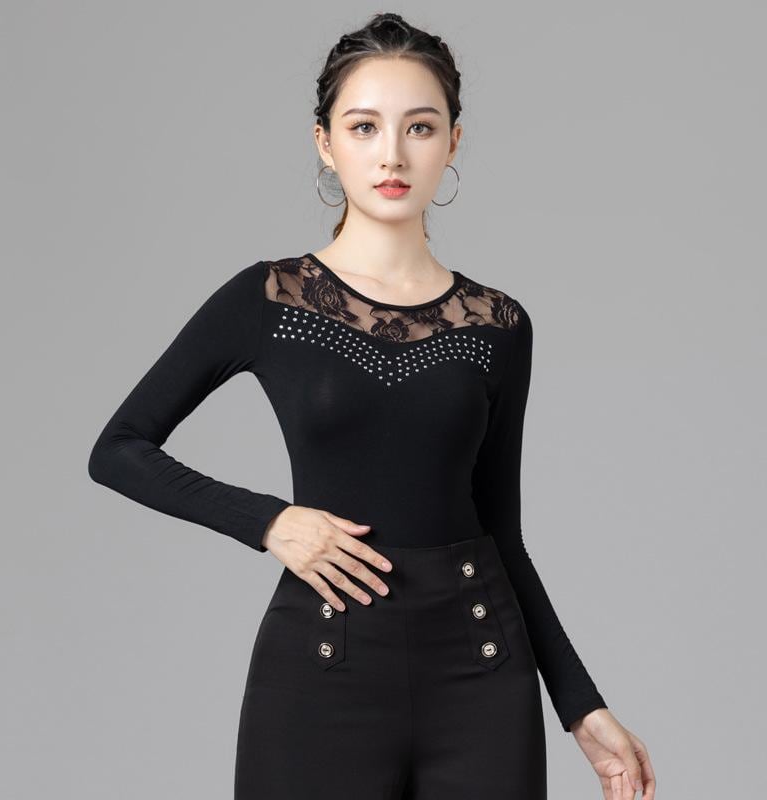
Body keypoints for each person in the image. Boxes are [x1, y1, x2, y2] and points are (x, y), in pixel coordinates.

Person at [88, 12, 656, 800]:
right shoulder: (270, 299)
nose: (392, 154)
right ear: (325, 142)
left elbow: (503, 533)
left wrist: (582, 708)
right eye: (364, 127)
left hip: (481, 670)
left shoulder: (498, 324)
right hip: (322, 666)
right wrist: (271, 522)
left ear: (453, 142)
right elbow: (118, 449)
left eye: (419, 127)